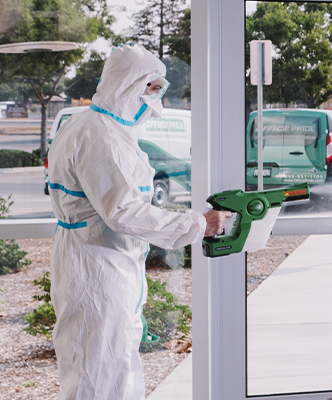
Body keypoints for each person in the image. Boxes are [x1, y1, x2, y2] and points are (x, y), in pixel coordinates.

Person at [46, 43, 231, 400]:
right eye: (152, 88)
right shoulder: (100, 135)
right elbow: (123, 211)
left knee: (112, 372)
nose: (155, 98)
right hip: (98, 269)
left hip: (101, 266)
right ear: (129, 84)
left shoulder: (94, 126)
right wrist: (198, 224)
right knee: (98, 379)